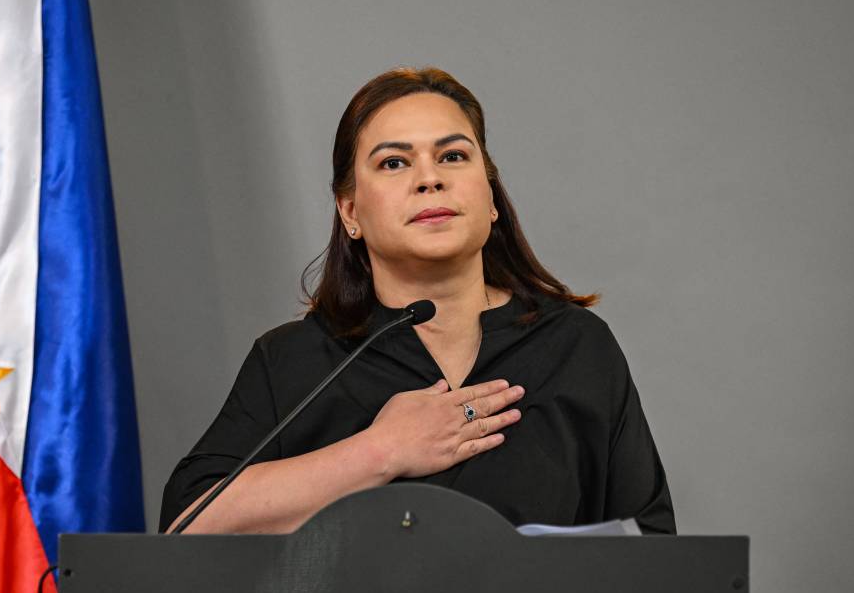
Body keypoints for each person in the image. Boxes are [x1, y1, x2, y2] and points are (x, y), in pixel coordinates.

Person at [159, 66, 676, 535]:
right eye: (394, 163)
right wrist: (380, 452)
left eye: (453, 156)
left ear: (490, 198)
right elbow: (186, 527)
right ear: (350, 211)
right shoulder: (292, 360)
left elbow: (652, 552)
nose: (430, 179)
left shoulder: (577, 346)